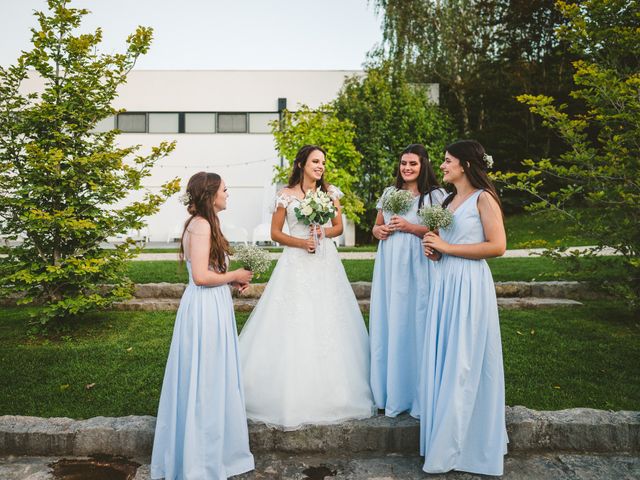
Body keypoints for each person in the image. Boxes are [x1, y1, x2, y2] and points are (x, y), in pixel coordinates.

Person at [239, 144, 374, 430]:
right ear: (301, 163)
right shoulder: (285, 196)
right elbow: (276, 233)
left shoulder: (331, 192)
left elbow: (337, 227)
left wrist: (322, 232)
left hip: (325, 263)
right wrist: (303, 242)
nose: (320, 166)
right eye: (315, 161)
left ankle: (336, 392)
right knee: (295, 319)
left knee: (329, 319)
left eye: (323, 162)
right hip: (296, 264)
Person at [150, 172, 255, 480]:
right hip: (204, 308)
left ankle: (215, 454)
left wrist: (231, 282)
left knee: (213, 377)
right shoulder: (201, 225)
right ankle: (200, 462)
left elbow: (211, 271)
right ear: (211, 195)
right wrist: (233, 275)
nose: (228, 193)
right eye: (225, 189)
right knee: (205, 379)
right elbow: (200, 276)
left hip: (215, 304)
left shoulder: (208, 224)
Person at [420, 140, 508, 476]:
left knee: (465, 359)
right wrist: (437, 250)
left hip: (469, 284)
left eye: (447, 161)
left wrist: (447, 247)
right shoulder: (448, 199)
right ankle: (443, 434)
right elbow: (448, 242)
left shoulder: (483, 198)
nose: (441, 166)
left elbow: (498, 246)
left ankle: (463, 445)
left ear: (466, 165)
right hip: (445, 281)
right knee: (447, 356)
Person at [369, 144, 447, 418]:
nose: (407, 168)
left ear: (423, 165)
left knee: (415, 319)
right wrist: (380, 230)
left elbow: (441, 229)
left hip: (418, 263)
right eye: (404, 163)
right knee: (391, 319)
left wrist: (410, 227)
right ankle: (388, 390)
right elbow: (376, 224)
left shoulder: (435, 195)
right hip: (390, 264)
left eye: (413, 164)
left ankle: (417, 392)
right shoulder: (391, 193)